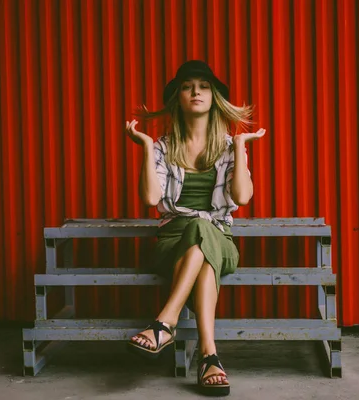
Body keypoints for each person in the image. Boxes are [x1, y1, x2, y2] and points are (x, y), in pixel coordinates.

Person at [124, 60, 265, 396]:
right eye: (188, 86)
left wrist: (242, 148)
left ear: (214, 97)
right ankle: (210, 356)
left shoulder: (230, 148)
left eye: (203, 86)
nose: (196, 92)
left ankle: (165, 322)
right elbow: (150, 198)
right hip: (172, 241)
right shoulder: (162, 147)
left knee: (203, 228)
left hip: (221, 240)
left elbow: (242, 198)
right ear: (179, 98)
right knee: (199, 240)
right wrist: (145, 147)